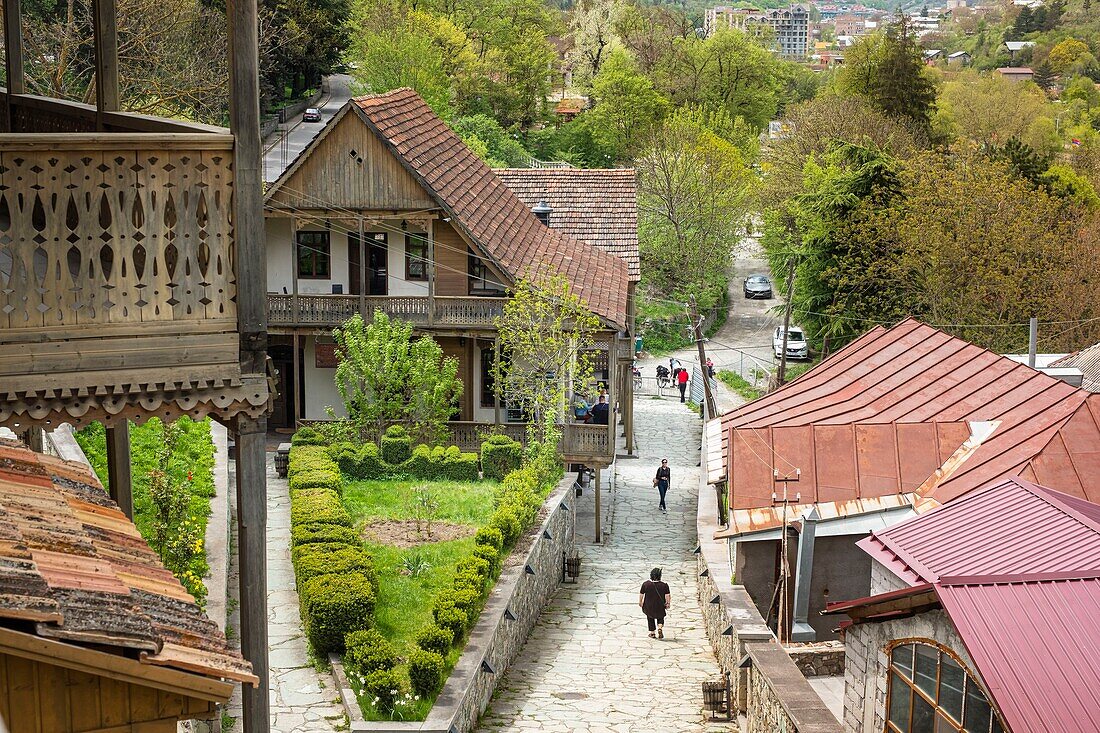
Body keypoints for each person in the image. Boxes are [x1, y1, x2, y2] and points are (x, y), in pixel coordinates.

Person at [639, 567, 671, 639]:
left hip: (648, 605)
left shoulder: (646, 584)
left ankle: (652, 633)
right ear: (660, 576)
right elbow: (667, 595)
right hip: (660, 605)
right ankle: (660, 627)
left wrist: (640, 602)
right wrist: (668, 603)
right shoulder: (664, 585)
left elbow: (641, 594)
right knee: (660, 617)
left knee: (650, 617)